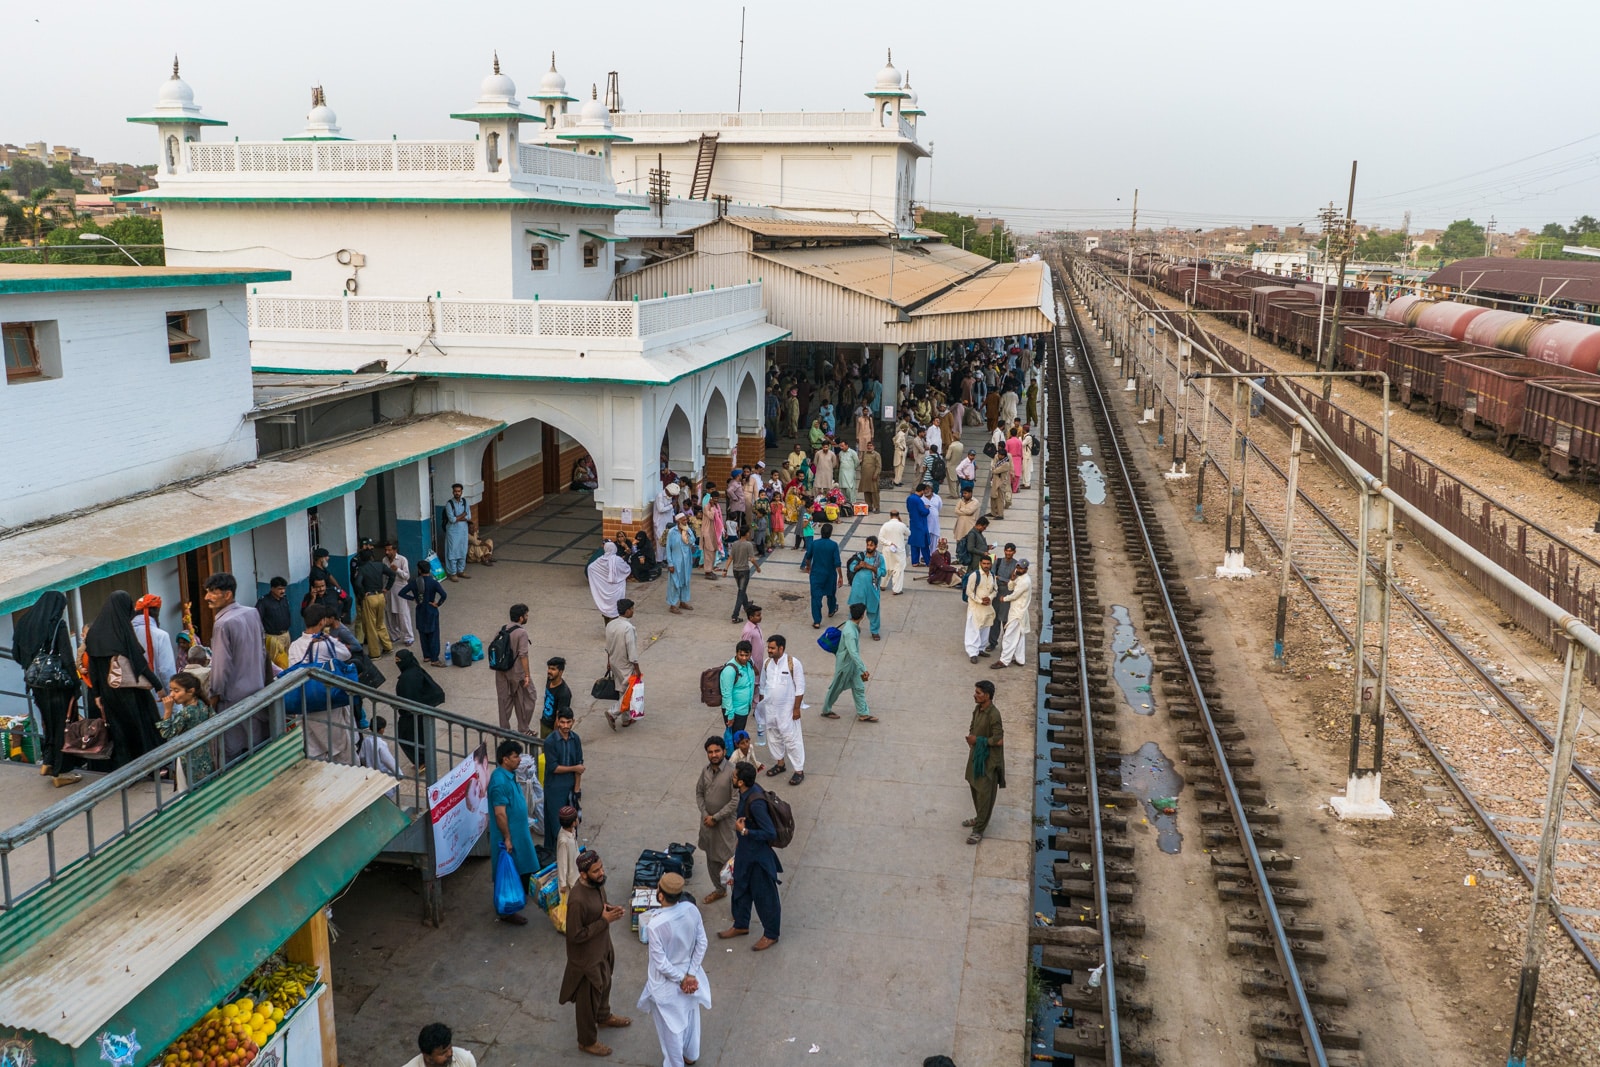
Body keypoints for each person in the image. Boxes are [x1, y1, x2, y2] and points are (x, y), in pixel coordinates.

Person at [560, 850, 631, 1056]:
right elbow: (575, 935)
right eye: (596, 870)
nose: (601, 873)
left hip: (602, 949)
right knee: (587, 1001)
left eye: (601, 868)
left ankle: (604, 1017)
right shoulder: (577, 900)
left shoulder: (597, 885)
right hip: (586, 960)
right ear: (583, 874)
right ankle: (587, 1041)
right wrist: (604, 921)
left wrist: (609, 910)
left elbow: (599, 909)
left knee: (605, 984)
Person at [639, 871, 711, 1067]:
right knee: (691, 1016)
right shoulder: (691, 910)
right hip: (690, 976)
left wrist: (682, 979)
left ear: (660, 895)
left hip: (667, 984)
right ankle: (691, 1054)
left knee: (671, 1031)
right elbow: (701, 943)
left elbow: (660, 963)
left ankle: (675, 1063)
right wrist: (691, 974)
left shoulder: (655, 924)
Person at [11, 592, 83, 787]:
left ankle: (49, 762)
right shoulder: (57, 625)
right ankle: (61, 772)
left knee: (48, 725)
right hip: (57, 687)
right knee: (63, 726)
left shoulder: (24, 623)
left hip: (36, 685)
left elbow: (16, 654)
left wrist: (33, 665)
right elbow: (67, 659)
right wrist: (77, 688)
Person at [205, 574, 272, 760]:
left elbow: (220, 667)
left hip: (232, 699)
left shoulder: (223, 624)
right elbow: (263, 652)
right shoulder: (251, 613)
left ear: (227, 595)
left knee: (232, 754)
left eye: (212, 592)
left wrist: (214, 696)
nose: (207, 597)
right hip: (257, 691)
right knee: (258, 749)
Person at [718, 761, 782, 950]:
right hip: (745, 854)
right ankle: (740, 924)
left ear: (741, 782)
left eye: (735, 776)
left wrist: (745, 832)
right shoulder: (746, 792)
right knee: (741, 890)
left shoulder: (756, 803)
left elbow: (770, 833)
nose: (732, 777)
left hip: (758, 859)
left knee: (765, 897)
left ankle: (771, 934)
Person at [287, 605, 358, 763]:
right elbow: (346, 654)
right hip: (329, 702)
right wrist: (331, 639)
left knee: (314, 750)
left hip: (306, 704)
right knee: (343, 750)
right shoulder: (327, 643)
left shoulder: (294, 646)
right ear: (322, 622)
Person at [488, 738, 540, 925]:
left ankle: (519, 897)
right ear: (505, 759)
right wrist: (508, 838)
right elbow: (500, 814)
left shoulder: (508, 775)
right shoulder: (499, 782)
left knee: (523, 866)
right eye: (515, 757)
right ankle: (507, 911)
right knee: (510, 870)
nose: (519, 760)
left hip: (519, 834)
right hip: (510, 837)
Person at [695, 736, 739, 904]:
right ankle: (720, 890)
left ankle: (738, 902)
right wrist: (706, 814)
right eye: (710, 752)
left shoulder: (733, 772)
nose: (714, 755)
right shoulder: (705, 771)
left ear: (724, 751)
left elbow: (735, 801)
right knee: (711, 860)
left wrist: (716, 817)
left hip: (725, 826)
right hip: (707, 825)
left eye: (717, 751)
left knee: (730, 864)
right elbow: (699, 793)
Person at [157, 671, 216, 786]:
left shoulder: (186, 713)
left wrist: (168, 711)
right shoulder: (202, 705)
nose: (172, 695)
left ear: (191, 691)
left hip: (188, 759)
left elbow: (167, 733)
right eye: (171, 690)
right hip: (205, 756)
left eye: (177, 690)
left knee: (186, 792)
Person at [761, 636, 806, 785]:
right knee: (773, 737)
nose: (769, 650)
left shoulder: (793, 663)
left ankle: (799, 771)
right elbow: (762, 685)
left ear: (781, 648)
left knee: (792, 740)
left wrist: (796, 709)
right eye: (769, 647)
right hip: (770, 711)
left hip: (787, 711)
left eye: (772, 648)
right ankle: (780, 764)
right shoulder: (767, 663)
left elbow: (800, 688)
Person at [965, 679, 1005, 844]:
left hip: (989, 761)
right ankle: (979, 818)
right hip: (977, 755)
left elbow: (999, 740)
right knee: (974, 786)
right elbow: (973, 726)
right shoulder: (978, 709)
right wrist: (971, 740)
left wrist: (978, 741)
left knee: (985, 794)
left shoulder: (994, 714)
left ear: (987, 696)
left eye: (978, 693)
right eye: (976, 692)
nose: (975, 695)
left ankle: (979, 829)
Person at [821, 602, 874, 722]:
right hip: (845, 665)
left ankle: (863, 713)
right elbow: (853, 652)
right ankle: (826, 710)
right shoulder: (850, 632)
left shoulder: (850, 626)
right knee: (836, 688)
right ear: (862, 616)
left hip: (851, 664)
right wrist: (863, 669)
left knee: (859, 687)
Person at [392, 649, 443, 771]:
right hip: (419, 710)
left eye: (399, 661)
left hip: (412, 713)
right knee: (419, 736)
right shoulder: (415, 670)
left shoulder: (407, 678)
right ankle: (423, 760)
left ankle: (422, 761)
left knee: (405, 737)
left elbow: (408, 697)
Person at [543, 708, 584, 855]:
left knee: (573, 824)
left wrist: (577, 790)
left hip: (571, 788)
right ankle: (558, 856)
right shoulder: (550, 742)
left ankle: (571, 855)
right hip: (554, 788)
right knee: (557, 826)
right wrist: (575, 768)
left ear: (573, 722)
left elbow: (580, 765)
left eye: (568, 722)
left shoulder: (575, 739)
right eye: (562, 722)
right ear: (557, 722)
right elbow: (554, 768)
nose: (566, 726)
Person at [493, 604, 537, 736]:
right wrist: (527, 675)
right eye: (526, 615)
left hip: (501, 671)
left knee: (504, 700)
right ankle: (524, 729)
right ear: (521, 617)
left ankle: (504, 730)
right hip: (517, 673)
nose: (527, 617)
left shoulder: (501, 630)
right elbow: (523, 654)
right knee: (528, 697)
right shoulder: (521, 633)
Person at [351, 545, 396, 655]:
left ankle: (375, 653)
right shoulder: (380, 565)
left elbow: (357, 584)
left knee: (371, 626)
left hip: (369, 597)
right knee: (380, 623)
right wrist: (386, 588)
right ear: (372, 557)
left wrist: (362, 594)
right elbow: (392, 574)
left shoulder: (362, 569)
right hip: (380, 596)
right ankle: (387, 646)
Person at [400, 566, 449, 666]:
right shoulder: (434, 582)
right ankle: (434, 659)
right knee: (433, 636)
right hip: (431, 611)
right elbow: (443, 595)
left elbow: (401, 593)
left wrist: (413, 598)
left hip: (420, 610)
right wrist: (437, 604)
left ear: (419, 570)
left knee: (423, 634)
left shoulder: (414, 582)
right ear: (429, 570)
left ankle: (426, 656)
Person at [800, 521, 844, 628]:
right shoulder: (833, 545)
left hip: (816, 574)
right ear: (830, 533)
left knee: (816, 597)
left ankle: (817, 621)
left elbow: (808, 557)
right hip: (830, 575)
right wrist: (841, 576)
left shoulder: (814, 544)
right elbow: (837, 563)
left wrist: (809, 567)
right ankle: (831, 610)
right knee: (831, 594)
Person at [994, 558, 1033, 669]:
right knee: (1020, 637)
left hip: (1017, 613)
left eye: (1021, 568)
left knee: (1008, 636)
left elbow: (1014, 595)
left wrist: (1004, 599)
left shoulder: (1025, 581)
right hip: (1017, 611)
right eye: (1018, 567)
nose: (1019, 569)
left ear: (1026, 569)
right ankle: (1020, 659)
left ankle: (1004, 661)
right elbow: (1010, 587)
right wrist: (1012, 579)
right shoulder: (1019, 577)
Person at [718, 640, 757, 743]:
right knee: (735, 740)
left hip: (744, 709)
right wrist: (730, 716)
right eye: (741, 655)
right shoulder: (729, 671)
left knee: (738, 736)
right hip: (735, 712)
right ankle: (732, 758)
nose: (744, 658)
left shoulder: (749, 664)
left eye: (746, 655)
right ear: (736, 653)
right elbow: (726, 694)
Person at [603, 598, 640, 706]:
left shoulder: (610, 624)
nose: (633, 611)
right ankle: (614, 712)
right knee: (629, 691)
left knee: (621, 688)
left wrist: (609, 662)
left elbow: (608, 647)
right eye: (632, 609)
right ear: (627, 611)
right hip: (625, 664)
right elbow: (632, 652)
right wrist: (637, 669)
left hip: (614, 661)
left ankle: (626, 718)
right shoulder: (628, 628)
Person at [847, 537, 886, 640]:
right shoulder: (860, 556)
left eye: (871, 545)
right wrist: (859, 566)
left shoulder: (880, 558)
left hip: (872, 589)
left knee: (873, 610)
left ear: (876, 546)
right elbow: (851, 567)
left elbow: (883, 572)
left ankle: (874, 631)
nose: (869, 547)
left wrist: (870, 567)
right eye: (868, 545)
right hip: (858, 587)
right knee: (855, 609)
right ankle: (851, 630)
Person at [964, 555, 998, 663]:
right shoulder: (975, 575)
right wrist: (980, 601)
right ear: (980, 564)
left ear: (991, 564)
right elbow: (969, 592)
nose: (986, 566)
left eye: (988, 564)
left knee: (985, 628)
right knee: (973, 630)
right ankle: (972, 653)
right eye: (984, 564)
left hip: (987, 607)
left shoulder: (992, 575)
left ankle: (981, 649)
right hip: (975, 607)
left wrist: (990, 598)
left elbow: (995, 590)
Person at [383, 543, 415, 648]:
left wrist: (397, 570)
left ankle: (408, 637)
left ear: (395, 550)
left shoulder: (402, 560)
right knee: (389, 613)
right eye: (386, 550)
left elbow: (406, 576)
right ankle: (394, 635)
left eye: (389, 550)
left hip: (400, 589)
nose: (387, 552)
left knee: (403, 614)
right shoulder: (384, 560)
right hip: (388, 589)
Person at [664, 512, 697, 615]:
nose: (685, 521)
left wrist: (687, 533)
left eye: (685, 520)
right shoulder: (671, 532)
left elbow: (692, 541)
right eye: (683, 520)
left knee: (685, 581)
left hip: (686, 561)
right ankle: (672, 605)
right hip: (675, 561)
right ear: (678, 521)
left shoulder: (688, 530)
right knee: (674, 583)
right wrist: (670, 564)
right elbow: (668, 549)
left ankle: (683, 602)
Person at [256, 577, 294, 665]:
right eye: (280, 589)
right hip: (273, 637)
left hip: (286, 635)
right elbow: (257, 619)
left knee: (287, 660)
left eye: (284, 588)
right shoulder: (264, 601)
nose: (283, 591)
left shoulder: (284, 599)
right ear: (272, 589)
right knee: (278, 662)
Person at [402, 1022, 476, 1067]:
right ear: (428, 1058)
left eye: (450, 1048)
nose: (450, 1053)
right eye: (443, 1053)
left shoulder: (465, 1059)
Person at [727, 525, 761, 624]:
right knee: (741, 593)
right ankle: (735, 615)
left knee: (742, 590)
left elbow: (730, 557)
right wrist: (757, 567)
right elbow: (752, 559)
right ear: (746, 534)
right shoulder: (748, 545)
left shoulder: (735, 544)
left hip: (735, 571)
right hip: (744, 571)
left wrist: (725, 569)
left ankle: (746, 606)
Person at [442, 483, 473, 581]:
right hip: (453, 532)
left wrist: (459, 517)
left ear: (461, 492)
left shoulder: (465, 502)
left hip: (463, 531)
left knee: (463, 550)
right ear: (453, 492)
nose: (457, 493)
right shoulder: (449, 504)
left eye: (459, 491)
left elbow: (469, 517)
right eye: (455, 491)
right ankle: (453, 573)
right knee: (452, 552)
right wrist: (463, 515)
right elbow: (452, 519)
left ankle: (461, 571)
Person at [542, 656, 573, 740]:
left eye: (553, 669)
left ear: (560, 672)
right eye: (549, 668)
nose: (549, 671)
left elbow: (559, 717)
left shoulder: (564, 693)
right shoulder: (550, 679)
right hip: (544, 722)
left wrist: (555, 735)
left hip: (552, 729)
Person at [556, 805, 582, 897]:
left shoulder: (572, 831)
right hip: (570, 879)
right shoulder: (564, 841)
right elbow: (562, 862)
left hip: (576, 871)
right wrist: (563, 884)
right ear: (573, 823)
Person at [906, 485, 933, 567]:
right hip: (921, 524)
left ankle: (915, 562)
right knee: (924, 544)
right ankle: (929, 562)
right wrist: (927, 509)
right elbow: (923, 512)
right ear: (921, 491)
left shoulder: (909, 498)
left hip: (913, 523)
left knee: (914, 544)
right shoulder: (919, 500)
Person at [988, 448, 1013, 521]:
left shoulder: (1006, 464)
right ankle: (993, 512)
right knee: (993, 497)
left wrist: (993, 469)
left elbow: (995, 470)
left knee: (1000, 499)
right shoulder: (1000, 461)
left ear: (1003, 456)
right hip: (995, 482)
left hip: (1000, 483)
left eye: (999, 455)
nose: (998, 456)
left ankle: (1000, 514)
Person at [859, 440, 883, 512]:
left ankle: (877, 507)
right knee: (866, 491)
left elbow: (879, 466)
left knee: (874, 492)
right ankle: (869, 506)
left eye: (871, 446)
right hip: (865, 477)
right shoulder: (865, 454)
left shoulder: (876, 455)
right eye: (868, 446)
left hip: (873, 477)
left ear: (873, 447)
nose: (869, 447)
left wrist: (876, 474)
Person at [837, 441, 859, 505]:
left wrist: (851, 468)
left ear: (847, 445)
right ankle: (845, 502)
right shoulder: (840, 453)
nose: (841, 448)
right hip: (842, 473)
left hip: (850, 473)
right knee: (842, 488)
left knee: (850, 489)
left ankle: (852, 502)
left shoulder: (853, 452)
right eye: (840, 446)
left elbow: (857, 462)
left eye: (842, 446)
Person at [1006, 428, 1025, 493]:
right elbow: (1021, 451)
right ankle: (1015, 488)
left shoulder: (1008, 441)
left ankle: (1010, 487)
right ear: (1016, 433)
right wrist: (1022, 458)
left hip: (1010, 458)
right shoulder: (1019, 441)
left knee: (1010, 473)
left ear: (1010, 434)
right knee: (1017, 474)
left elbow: (1006, 451)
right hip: (1018, 458)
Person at [1019, 424, 1037, 490]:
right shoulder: (1026, 436)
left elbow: (1021, 444)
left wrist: (1020, 438)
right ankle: (1024, 483)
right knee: (1024, 470)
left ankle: (1027, 484)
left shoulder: (1028, 437)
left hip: (1027, 456)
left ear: (1024, 430)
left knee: (1026, 470)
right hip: (1025, 456)